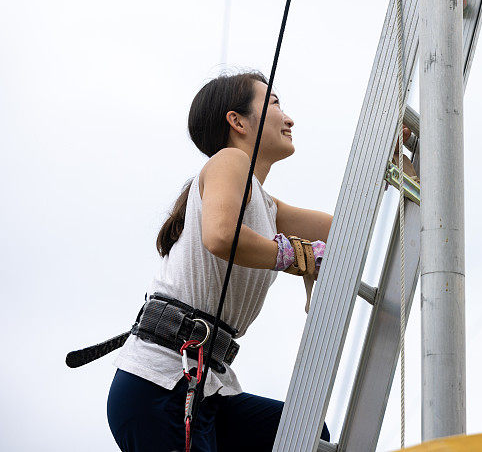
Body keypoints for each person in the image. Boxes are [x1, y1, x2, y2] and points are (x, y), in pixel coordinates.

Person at [107, 71, 333, 452]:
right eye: (275, 103)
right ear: (237, 121)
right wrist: (292, 255)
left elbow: (344, 228)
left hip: (205, 387)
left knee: (308, 434)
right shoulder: (229, 160)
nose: (289, 118)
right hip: (161, 383)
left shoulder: (268, 207)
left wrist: (397, 160)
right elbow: (220, 235)